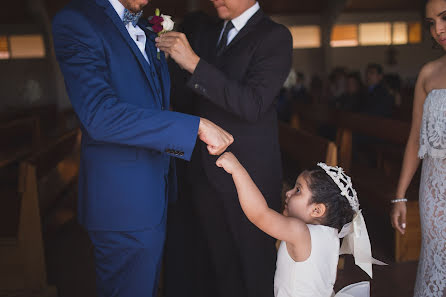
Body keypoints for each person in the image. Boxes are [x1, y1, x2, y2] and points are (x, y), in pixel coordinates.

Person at [51, 0, 234, 296]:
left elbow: (152, 101)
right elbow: (99, 115)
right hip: (122, 200)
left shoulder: (144, 28)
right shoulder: (77, 21)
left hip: (153, 192)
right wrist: (194, 126)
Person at [156, 1, 293, 296]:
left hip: (250, 175)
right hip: (205, 171)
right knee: (220, 267)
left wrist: (193, 63)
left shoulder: (274, 36)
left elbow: (253, 104)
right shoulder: (210, 33)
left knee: (255, 267)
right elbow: (190, 97)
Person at [216, 152, 385, 297]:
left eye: (298, 190)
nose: (288, 193)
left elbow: (260, 214)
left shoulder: (300, 232)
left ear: (317, 210)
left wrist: (237, 170)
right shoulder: (332, 235)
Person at [391, 0, 446, 295]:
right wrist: (399, 196)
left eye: (445, 18)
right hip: (435, 194)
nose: (437, 30)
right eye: (430, 23)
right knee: (436, 266)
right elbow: (415, 137)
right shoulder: (428, 74)